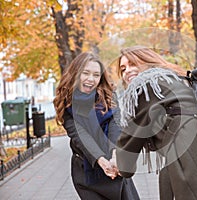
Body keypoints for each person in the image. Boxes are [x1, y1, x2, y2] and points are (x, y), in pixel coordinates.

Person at [115, 46, 197, 199]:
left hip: (190, 153)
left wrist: (121, 164)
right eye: (123, 69)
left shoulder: (147, 85)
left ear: (147, 61)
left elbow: (132, 132)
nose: (127, 72)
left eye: (132, 64)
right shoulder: (177, 78)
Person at [53, 52, 139, 200]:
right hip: (87, 172)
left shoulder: (108, 95)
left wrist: (114, 155)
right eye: (85, 73)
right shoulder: (66, 102)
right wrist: (101, 160)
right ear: (76, 73)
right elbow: (80, 135)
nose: (90, 79)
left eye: (96, 75)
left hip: (114, 165)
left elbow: (115, 123)